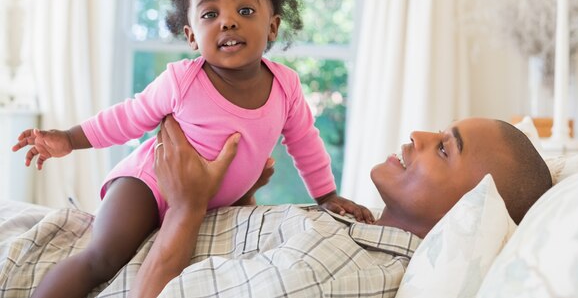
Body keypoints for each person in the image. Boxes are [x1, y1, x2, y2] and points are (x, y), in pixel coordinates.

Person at [11, 0, 371, 298]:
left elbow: (305, 143)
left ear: (273, 26)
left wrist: (327, 196)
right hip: (146, 185)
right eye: (209, 14)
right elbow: (128, 118)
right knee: (103, 257)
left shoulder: (286, 86)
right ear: (191, 37)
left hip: (210, 200)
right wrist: (69, 138)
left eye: (246, 9)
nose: (228, 20)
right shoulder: (182, 80)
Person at [128, 114, 552, 298]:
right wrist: (240, 199)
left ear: (467, 208)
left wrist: (186, 207)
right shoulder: (355, 232)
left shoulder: (335, 273)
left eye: (443, 149)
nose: (418, 136)